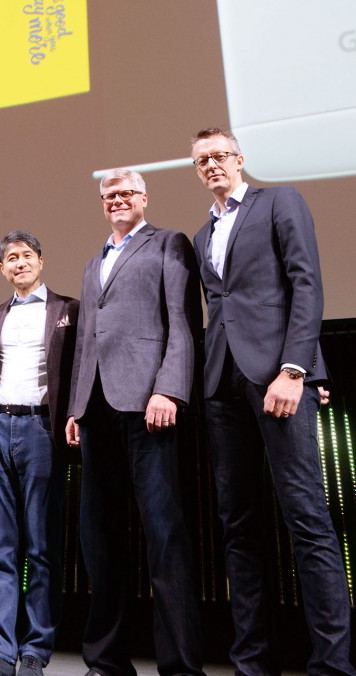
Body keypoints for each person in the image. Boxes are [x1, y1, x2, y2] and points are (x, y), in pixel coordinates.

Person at [190, 126, 354, 676]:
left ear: (239, 158)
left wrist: (297, 369)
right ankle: (251, 663)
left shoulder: (280, 201)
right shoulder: (202, 234)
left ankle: (332, 665)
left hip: (279, 379)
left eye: (219, 155)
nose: (212, 165)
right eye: (202, 161)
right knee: (237, 524)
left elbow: (306, 283)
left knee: (306, 517)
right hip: (223, 385)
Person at [66, 169, 205, 676]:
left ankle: (181, 666)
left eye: (126, 193)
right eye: (109, 195)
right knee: (99, 537)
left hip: (149, 403)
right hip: (96, 409)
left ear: (144, 197)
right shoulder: (93, 261)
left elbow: (183, 321)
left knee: (164, 535)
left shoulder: (169, 243)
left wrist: (170, 388)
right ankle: (106, 661)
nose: (117, 200)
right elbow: (87, 339)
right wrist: (76, 407)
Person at [0, 231, 79, 676]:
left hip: (42, 429)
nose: (20, 262)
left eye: (27, 255)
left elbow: (81, 370)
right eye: (11, 257)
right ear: (2, 268)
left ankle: (34, 653)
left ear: (41, 261)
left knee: (42, 547)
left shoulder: (68, 310)